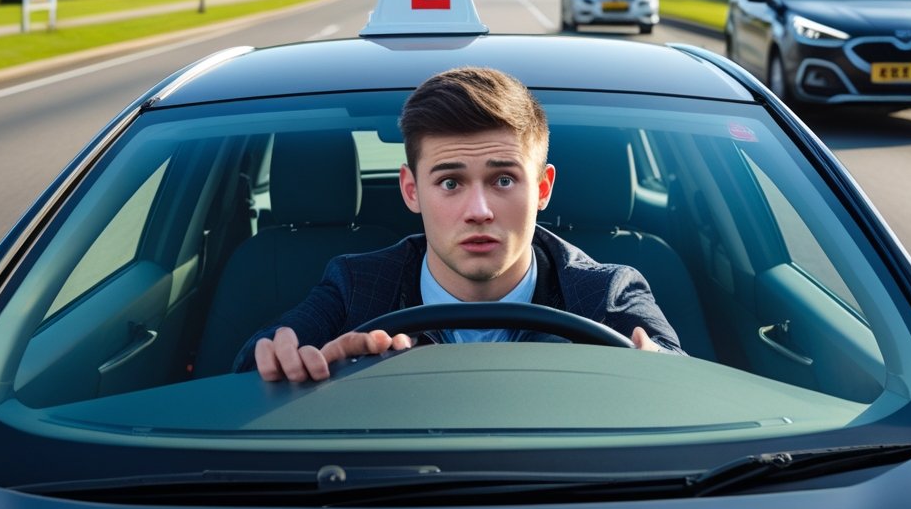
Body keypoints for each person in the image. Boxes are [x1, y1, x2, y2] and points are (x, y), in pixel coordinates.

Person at [233, 66, 684, 382]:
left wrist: (660, 376)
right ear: (411, 190)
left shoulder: (605, 294)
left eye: (503, 179)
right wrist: (286, 368)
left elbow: (680, 377)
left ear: (543, 188)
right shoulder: (355, 287)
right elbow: (255, 369)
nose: (479, 210)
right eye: (450, 182)